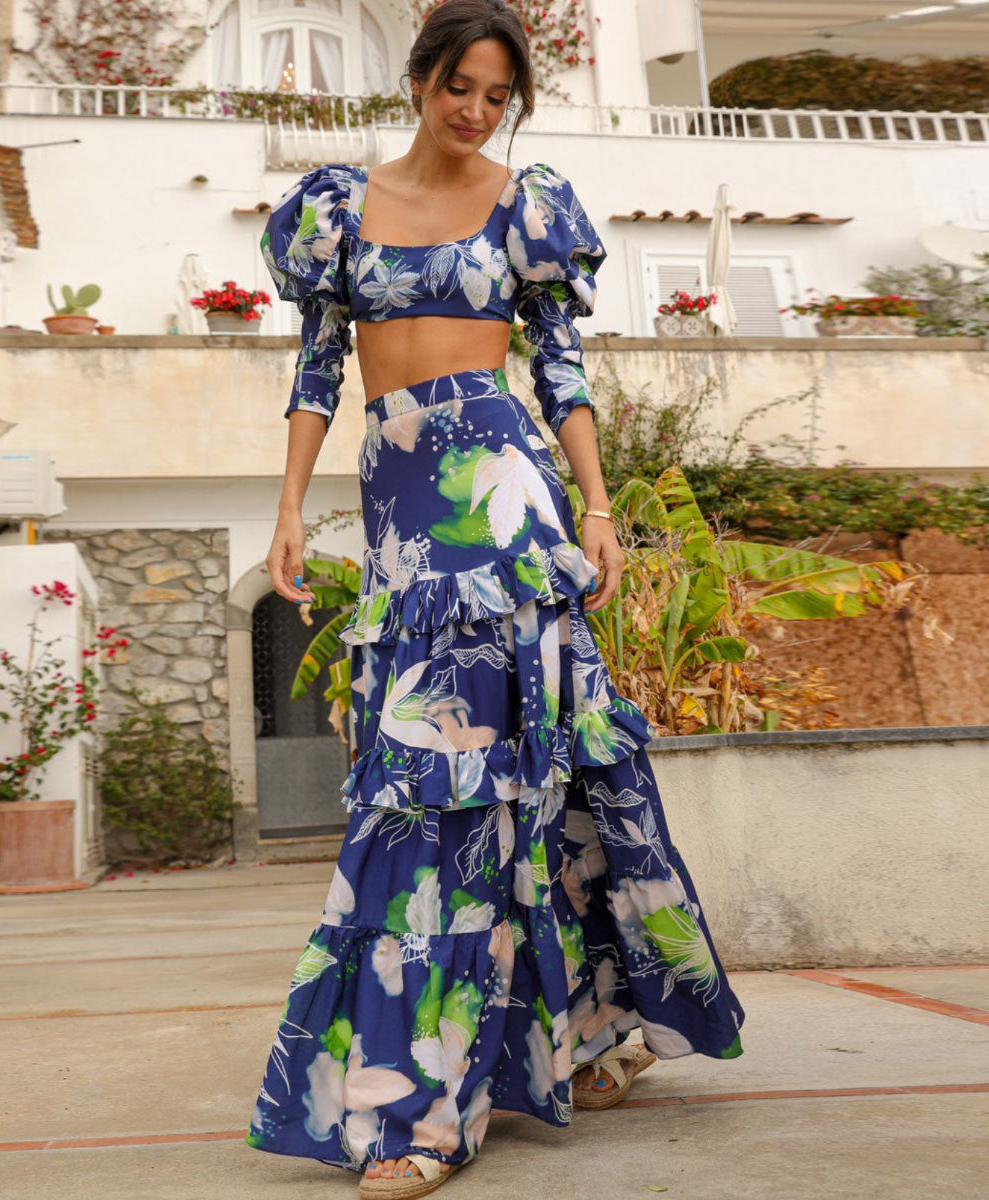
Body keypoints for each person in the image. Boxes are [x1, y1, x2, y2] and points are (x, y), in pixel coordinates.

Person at [245, 1, 745, 1195]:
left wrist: (599, 507)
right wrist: (286, 510)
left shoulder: (529, 207)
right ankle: (542, 1048)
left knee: (522, 769)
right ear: (419, 78)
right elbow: (320, 369)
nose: (475, 111)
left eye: (496, 95)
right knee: (430, 789)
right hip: (401, 498)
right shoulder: (332, 209)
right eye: (458, 86)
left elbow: (562, 367)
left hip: (505, 491)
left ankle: (433, 1110)